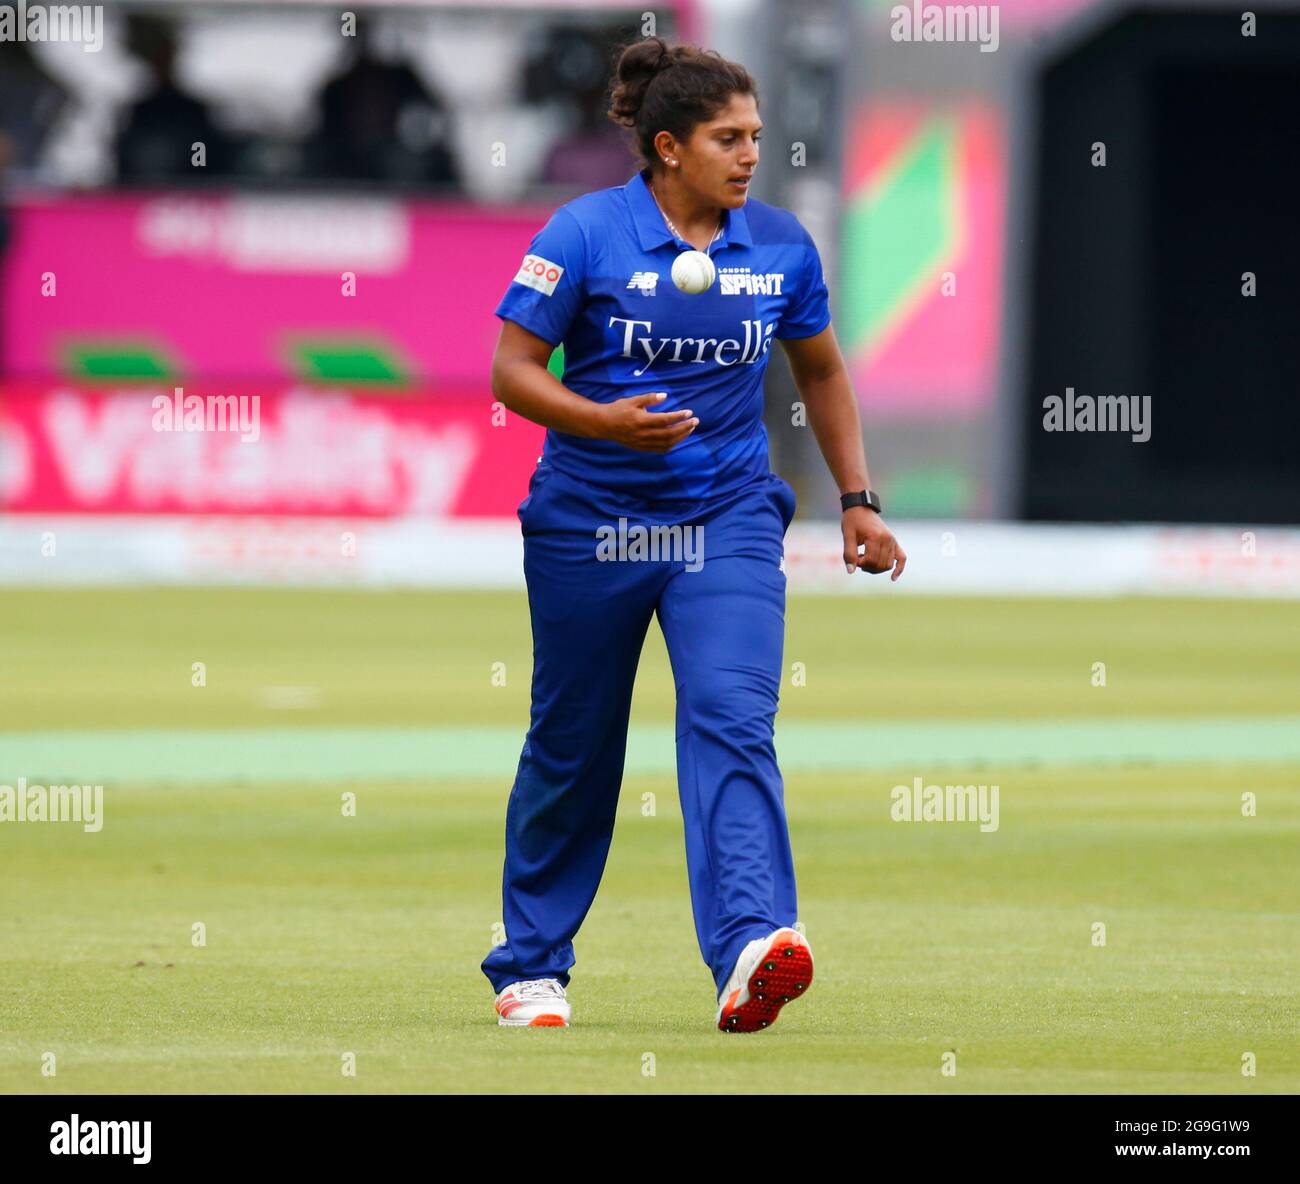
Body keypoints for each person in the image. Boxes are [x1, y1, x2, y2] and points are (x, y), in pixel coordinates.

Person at [483, 36, 905, 1034]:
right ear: (668, 146)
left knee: (730, 713)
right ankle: (531, 965)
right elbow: (512, 369)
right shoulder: (584, 233)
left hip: (725, 520)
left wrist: (858, 498)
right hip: (592, 523)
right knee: (573, 741)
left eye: (755, 135)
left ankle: (752, 941)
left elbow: (823, 372)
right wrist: (603, 419)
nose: (750, 154)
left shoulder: (781, 247)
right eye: (728, 138)